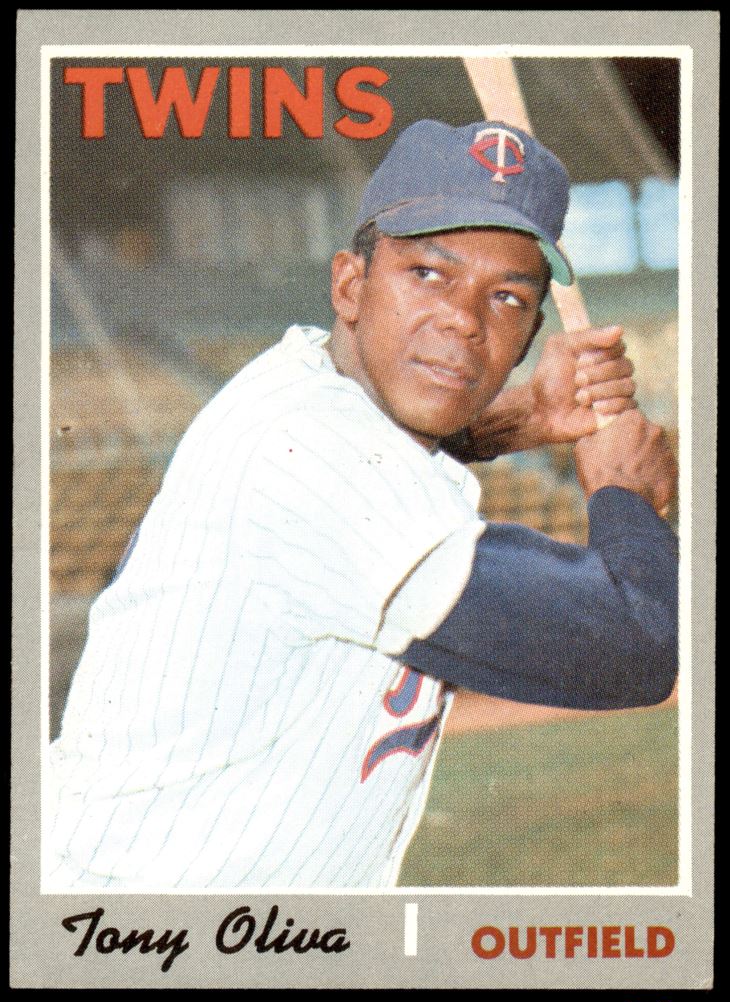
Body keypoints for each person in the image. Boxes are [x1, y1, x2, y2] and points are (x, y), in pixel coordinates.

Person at [46, 119, 678, 891]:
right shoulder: (310, 455)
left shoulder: (297, 384)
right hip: (133, 931)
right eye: (428, 274)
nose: (464, 319)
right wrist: (626, 495)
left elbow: (390, 447)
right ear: (350, 285)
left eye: (507, 297)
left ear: (529, 338)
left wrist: (524, 418)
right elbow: (633, 647)